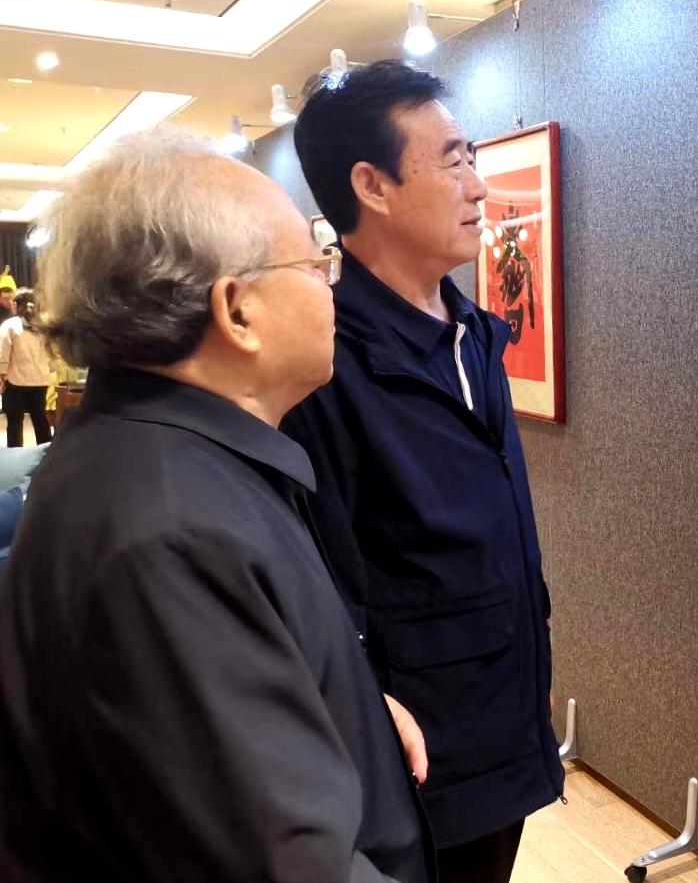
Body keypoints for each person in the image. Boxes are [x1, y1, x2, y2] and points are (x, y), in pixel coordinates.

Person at [0, 127, 434, 883]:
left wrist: (346, 705)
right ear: (237, 311)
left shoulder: (165, 462)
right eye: (315, 264)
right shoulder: (172, 529)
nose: (330, 286)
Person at [284, 60, 562, 883]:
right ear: (371, 186)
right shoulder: (326, 361)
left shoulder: (474, 332)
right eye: (452, 161)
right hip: (417, 757)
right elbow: (321, 574)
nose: (480, 186)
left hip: (504, 719)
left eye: (473, 157)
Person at [0, 290, 54, 446]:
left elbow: (2, 354)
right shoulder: (44, 326)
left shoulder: (10, 325)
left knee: (15, 423)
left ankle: (15, 455)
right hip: (40, 381)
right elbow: (53, 354)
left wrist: (1, 375)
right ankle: (45, 453)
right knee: (40, 420)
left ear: (15, 305)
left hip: (16, 382)